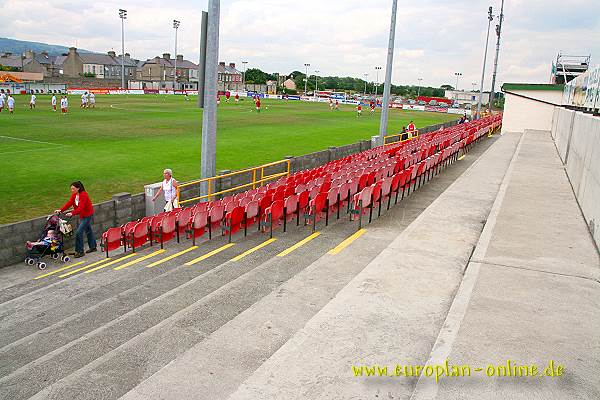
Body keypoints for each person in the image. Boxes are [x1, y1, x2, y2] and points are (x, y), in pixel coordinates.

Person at [54, 181, 96, 258]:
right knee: (88, 230)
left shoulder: (84, 195)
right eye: (71, 189)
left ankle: (80, 251)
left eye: (73, 189)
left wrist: (72, 213)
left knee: (78, 232)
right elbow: (69, 203)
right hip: (82, 215)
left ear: (78, 188)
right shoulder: (74, 195)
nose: (72, 190)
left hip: (87, 215)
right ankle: (93, 247)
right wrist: (61, 210)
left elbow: (81, 208)